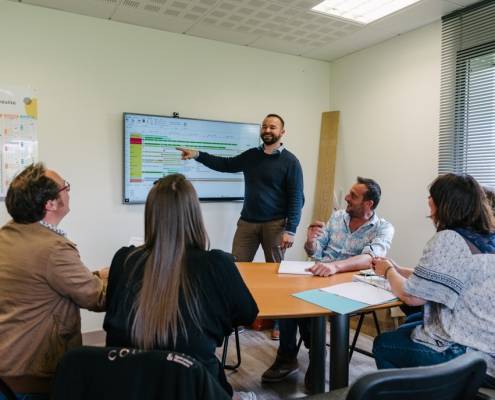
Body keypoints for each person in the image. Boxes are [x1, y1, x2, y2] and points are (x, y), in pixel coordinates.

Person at [103, 174, 259, 400]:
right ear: (195, 215)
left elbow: (113, 310)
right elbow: (248, 314)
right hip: (195, 389)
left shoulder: (124, 259)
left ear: (151, 216)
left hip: (129, 388)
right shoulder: (217, 265)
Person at [177, 113, 304, 340]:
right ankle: (238, 318)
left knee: (276, 274)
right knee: (235, 270)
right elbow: (225, 164)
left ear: (282, 133)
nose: (267, 129)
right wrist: (197, 155)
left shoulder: (291, 162)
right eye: (264, 126)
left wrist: (291, 229)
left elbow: (296, 197)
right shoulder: (252, 156)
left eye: (273, 127)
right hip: (248, 222)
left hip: (276, 225)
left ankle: (278, 323)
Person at [262, 176, 394, 387]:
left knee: (309, 304)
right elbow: (314, 251)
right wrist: (311, 241)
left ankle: (315, 355)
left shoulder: (383, 228)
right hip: (318, 274)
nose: (347, 198)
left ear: (369, 204)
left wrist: (335, 266)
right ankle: (289, 357)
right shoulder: (338, 217)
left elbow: (371, 258)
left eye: (354, 196)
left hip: (350, 283)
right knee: (286, 295)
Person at [372, 173, 495, 389]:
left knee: (384, 344)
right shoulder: (485, 238)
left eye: (432, 196)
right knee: (411, 324)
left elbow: (411, 296)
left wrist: (389, 270)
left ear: (445, 202)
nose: (428, 201)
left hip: (469, 355)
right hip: (488, 347)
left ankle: (424, 392)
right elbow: (449, 276)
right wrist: (400, 270)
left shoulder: (450, 238)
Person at [0, 163, 107, 400]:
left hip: (7, 365)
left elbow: (44, 283)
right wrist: (122, 275)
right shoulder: (53, 249)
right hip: (32, 376)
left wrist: (97, 276)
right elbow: (97, 298)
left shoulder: (7, 234)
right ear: (50, 203)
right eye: (65, 187)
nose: (69, 192)